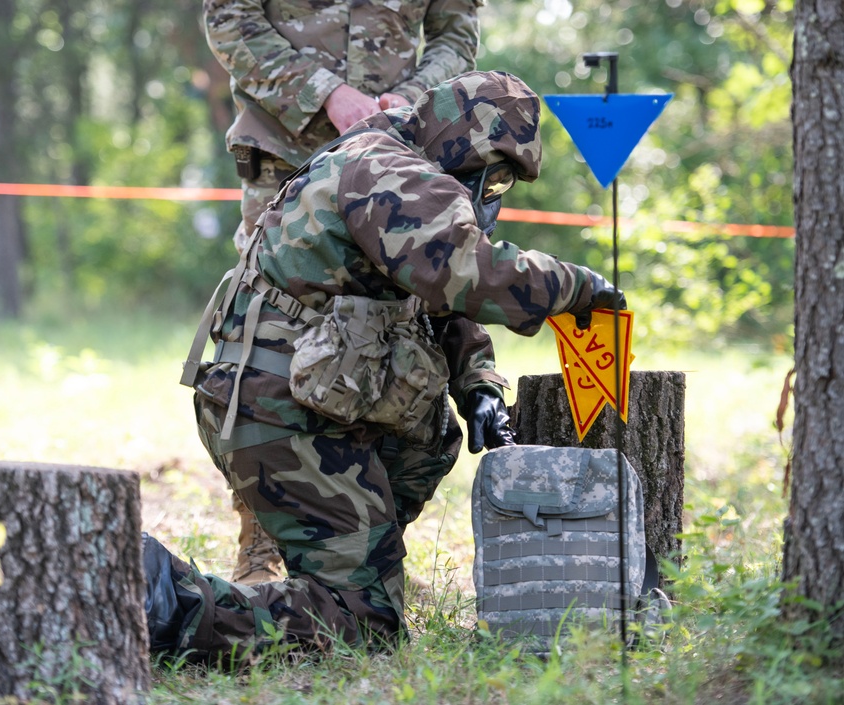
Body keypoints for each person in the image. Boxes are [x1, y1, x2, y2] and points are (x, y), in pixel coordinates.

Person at [144, 70, 625, 663]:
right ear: (460, 140)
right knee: (362, 625)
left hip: (299, 402)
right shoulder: (387, 170)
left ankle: (339, 569)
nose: (492, 190)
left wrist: (478, 382)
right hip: (281, 414)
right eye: (493, 172)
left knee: (430, 438)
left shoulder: (394, 160)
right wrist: (579, 286)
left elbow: (435, 300)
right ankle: (163, 600)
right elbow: (466, 274)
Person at [203, 0, 483, 584]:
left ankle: (369, 535)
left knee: (402, 321)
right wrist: (325, 93)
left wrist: (418, 96)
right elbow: (230, 19)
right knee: (273, 327)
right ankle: (263, 540)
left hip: (405, 147)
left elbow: (456, 30)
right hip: (290, 146)